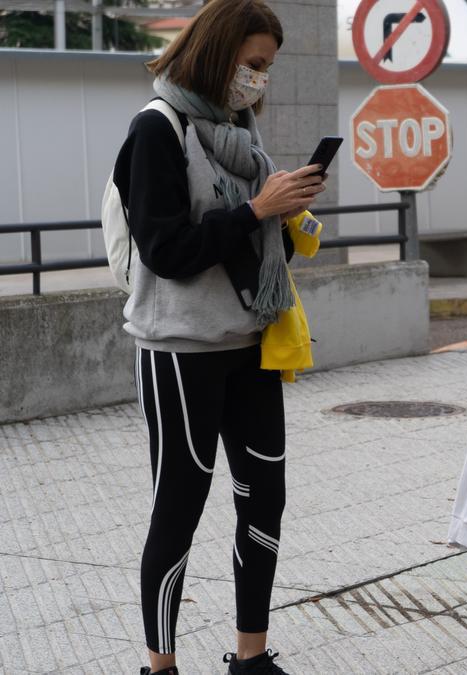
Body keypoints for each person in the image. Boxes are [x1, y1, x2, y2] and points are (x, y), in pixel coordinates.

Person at [111, 0, 326, 672]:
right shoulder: (157, 129)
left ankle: (251, 656)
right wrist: (256, 209)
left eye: (267, 68)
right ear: (217, 53)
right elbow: (166, 249)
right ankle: (160, 663)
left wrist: (279, 214)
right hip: (180, 349)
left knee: (266, 497)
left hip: (251, 343)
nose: (259, 79)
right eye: (253, 64)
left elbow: (250, 241)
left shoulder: (242, 132)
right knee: (178, 505)